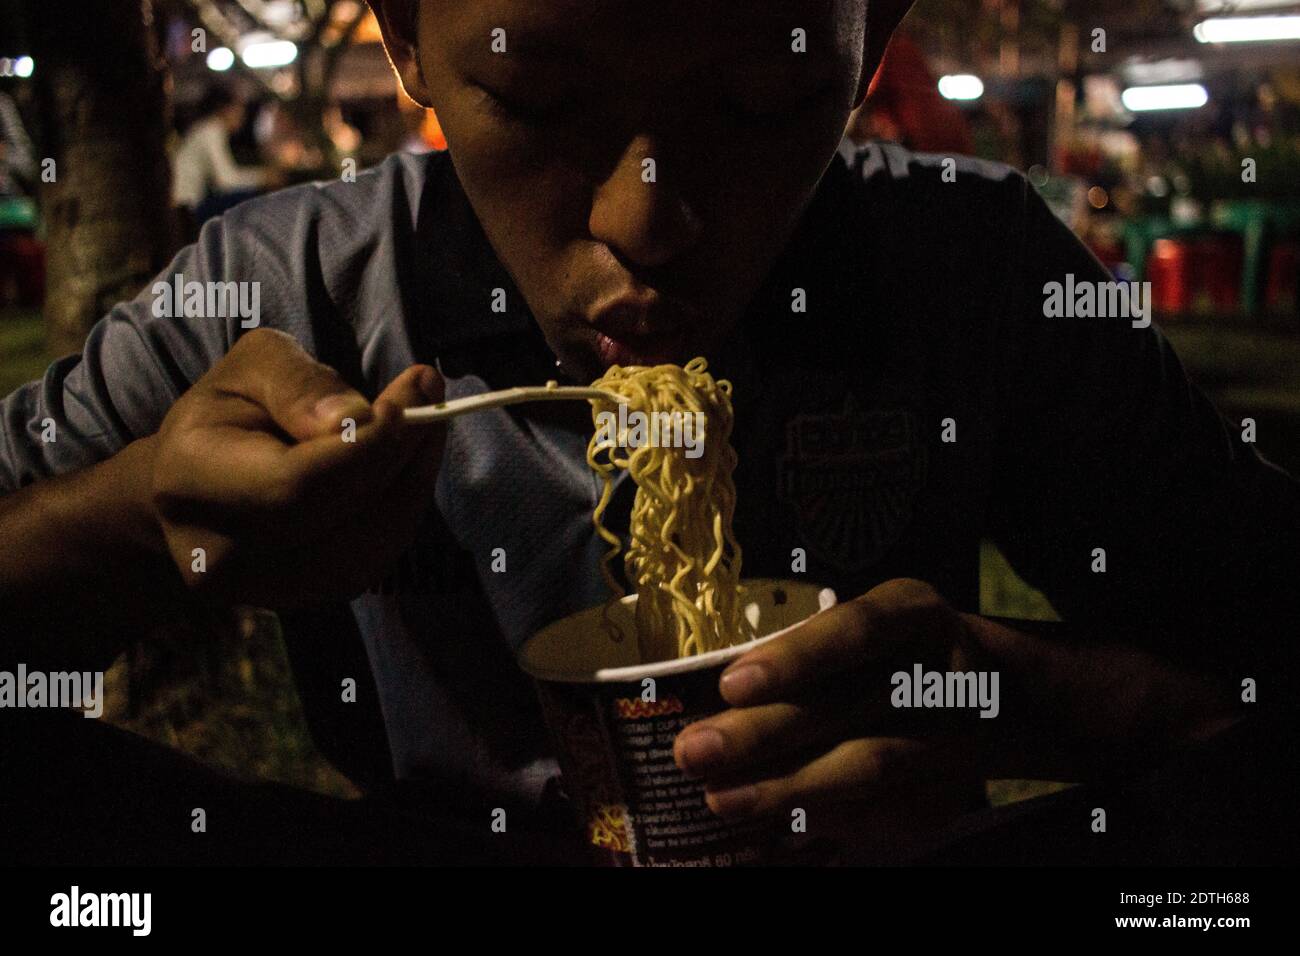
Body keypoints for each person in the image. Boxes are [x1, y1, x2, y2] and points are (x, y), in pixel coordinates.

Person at [0, 0, 1296, 866]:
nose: (646, 221)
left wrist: (1018, 697)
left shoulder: (974, 269)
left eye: (763, 99)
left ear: (873, 35)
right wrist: (136, 523)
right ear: (402, 38)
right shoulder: (290, 294)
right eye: (537, 96)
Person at [171, 85, 274, 234]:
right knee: (254, 201)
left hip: (189, 205)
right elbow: (226, 182)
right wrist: (263, 178)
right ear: (225, 109)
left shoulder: (207, 129)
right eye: (238, 108)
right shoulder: (211, 131)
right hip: (188, 208)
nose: (242, 115)